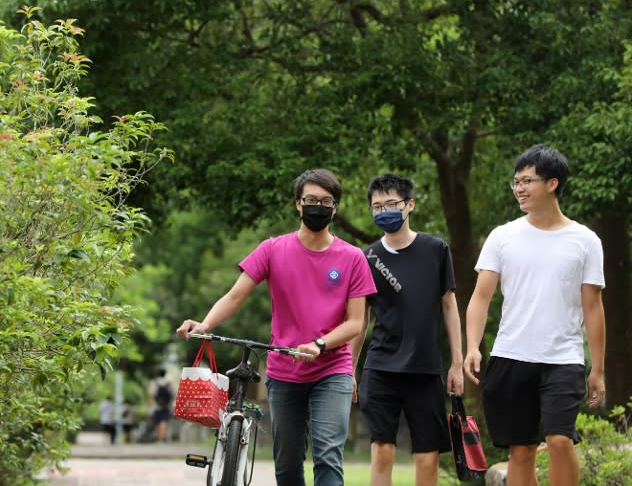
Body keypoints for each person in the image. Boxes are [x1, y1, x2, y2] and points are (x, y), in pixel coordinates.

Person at [177, 168, 377, 486]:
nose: (318, 206)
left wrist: (320, 345)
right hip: (284, 372)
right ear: (298, 204)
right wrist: (206, 323)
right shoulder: (272, 249)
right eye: (310, 199)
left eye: (326, 201)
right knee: (287, 463)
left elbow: (355, 322)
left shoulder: (353, 258)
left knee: (328, 455)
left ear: (335, 208)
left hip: (332, 369)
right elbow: (235, 294)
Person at [464, 144, 606, 486]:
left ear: (552, 183)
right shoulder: (503, 236)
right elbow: (480, 298)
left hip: (563, 358)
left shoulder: (585, 241)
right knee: (521, 450)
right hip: (512, 355)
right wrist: (472, 346)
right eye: (516, 181)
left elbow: (593, 307)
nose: (519, 188)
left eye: (527, 180)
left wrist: (598, 369)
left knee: (559, 441)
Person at [350, 174, 463, 486]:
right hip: (381, 368)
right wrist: (350, 369)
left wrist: (457, 363)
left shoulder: (436, 250)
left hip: (425, 369)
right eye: (376, 206)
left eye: (391, 203)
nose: (383, 210)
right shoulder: (366, 257)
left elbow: (449, 306)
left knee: (427, 458)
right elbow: (360, 320)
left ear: (409, 205)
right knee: (382, 450)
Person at [148, 368, 173, 443]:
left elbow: (150, 394)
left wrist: (149, 405)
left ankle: (159, 438)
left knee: (157, 422)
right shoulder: (169, 383)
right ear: (165, 374)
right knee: (164, 421)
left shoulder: (154, 382)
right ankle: (162, 439)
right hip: (166, 405)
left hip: (156, 406)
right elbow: (173, 394)